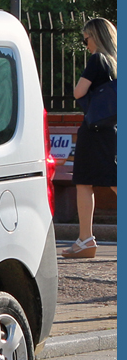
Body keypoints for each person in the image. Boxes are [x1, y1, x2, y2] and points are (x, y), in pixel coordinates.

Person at [63, 17, 117, 258]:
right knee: (113, 178)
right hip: (111, 129)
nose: (86, 44)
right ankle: (85, 239)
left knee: (84, 181)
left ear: (95, 36)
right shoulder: (115, 62)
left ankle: (86, 239)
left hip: (93, 129)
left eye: (86, 39)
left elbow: (78, 92)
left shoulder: (97, 60)